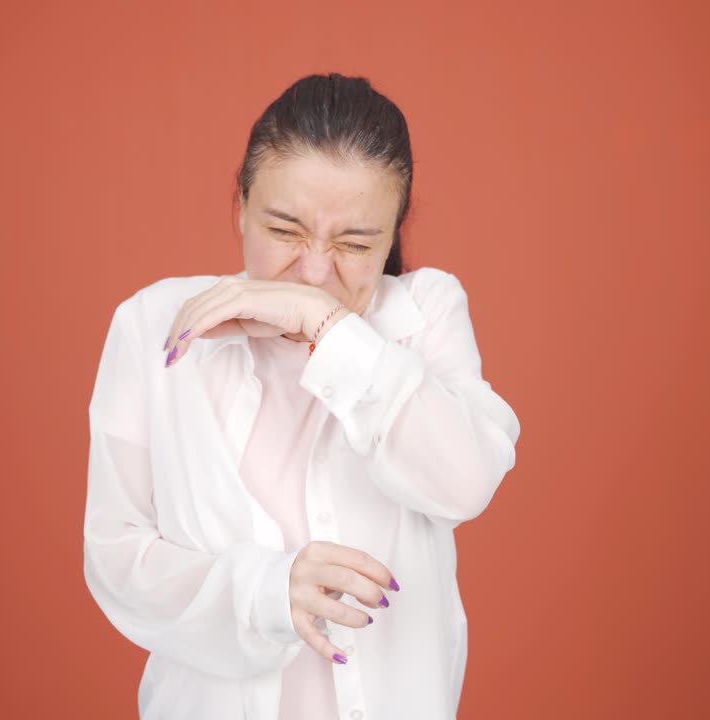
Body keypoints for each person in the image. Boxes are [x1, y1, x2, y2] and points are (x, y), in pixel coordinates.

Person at [83, 72, 521, 720]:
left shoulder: (425, 314)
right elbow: (116, 557)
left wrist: (324, 327)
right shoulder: (153, 326)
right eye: (285, 231)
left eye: (354, 244)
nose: (316, 272)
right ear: (239, 205)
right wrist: (264, 592)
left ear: (393, 234)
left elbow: (466, 480)